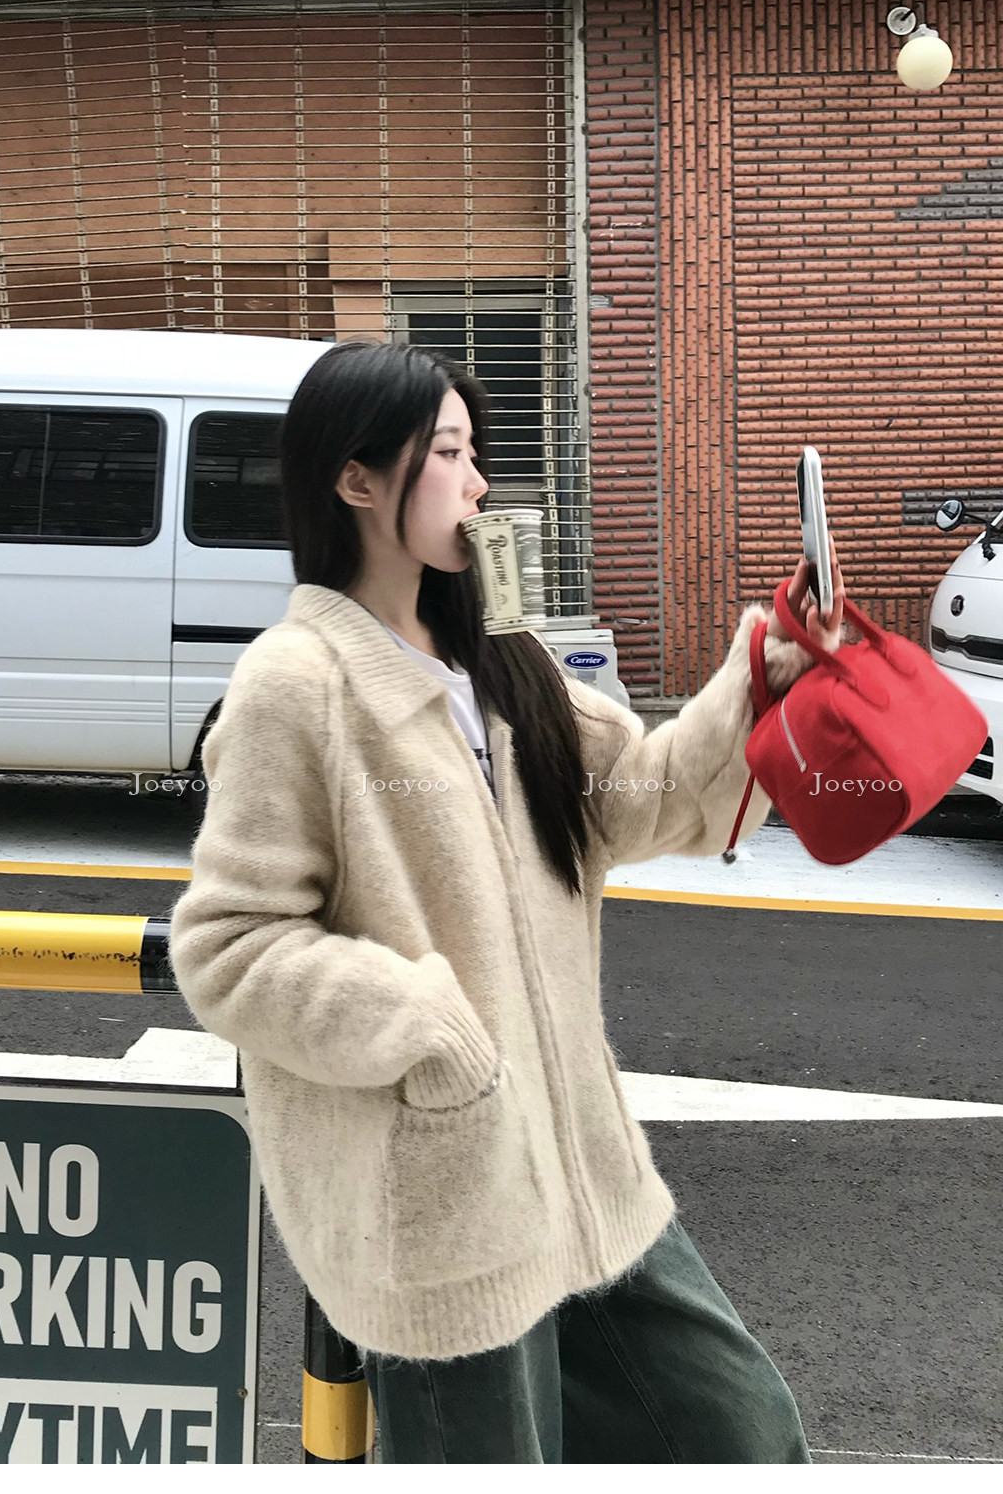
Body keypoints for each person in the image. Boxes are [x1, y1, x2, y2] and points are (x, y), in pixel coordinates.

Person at [168, 340, 845, 1464]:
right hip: (447, 1206)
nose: (479, 483)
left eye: (474, 453)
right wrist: (428, 1029)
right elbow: (231, 946)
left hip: (585, 1173)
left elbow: (637, 799)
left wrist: (759, 678)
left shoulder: (500, 651)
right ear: (355, 479)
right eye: (448, 454)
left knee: (742, 1435)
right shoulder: (298, 683)